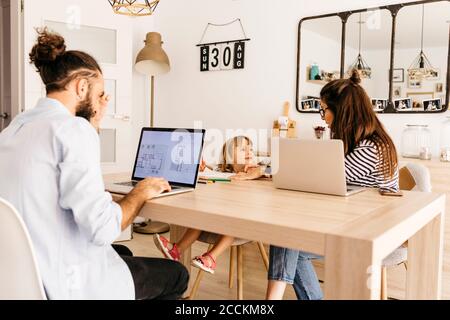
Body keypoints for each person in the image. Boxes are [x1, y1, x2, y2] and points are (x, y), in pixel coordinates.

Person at [0, 29, 188, 300]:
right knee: (176, 274)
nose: (102, 101)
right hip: (65, 284)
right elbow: (103, 229)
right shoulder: (72, 130)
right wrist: (139, 193)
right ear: (81, 86)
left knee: (123, 254)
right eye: (100, 92)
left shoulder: (13, 129)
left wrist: (93, 124)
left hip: (21, 279)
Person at [266, 69, 399, 300]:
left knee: (288, 237)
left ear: (342, 111)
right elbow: (326, 179)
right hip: (345, 220)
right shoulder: (353, 141)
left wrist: (284, 170)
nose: (323, 117)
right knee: (287, 236)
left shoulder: (373, 147)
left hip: (370, 230)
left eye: (324, 110)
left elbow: (328, 177)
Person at [153, 136, 266, 274]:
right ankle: (177, 250)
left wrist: (253, 173)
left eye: (251, 149)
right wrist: (201, 170)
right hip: (218, 217)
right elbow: (211, 175)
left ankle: (211, 258)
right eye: (243, 149)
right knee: (200, 217)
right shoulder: (222, 172)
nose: (249, 152)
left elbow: (268, 171)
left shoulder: (256, 171)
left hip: (241, 223)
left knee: (232, 222)